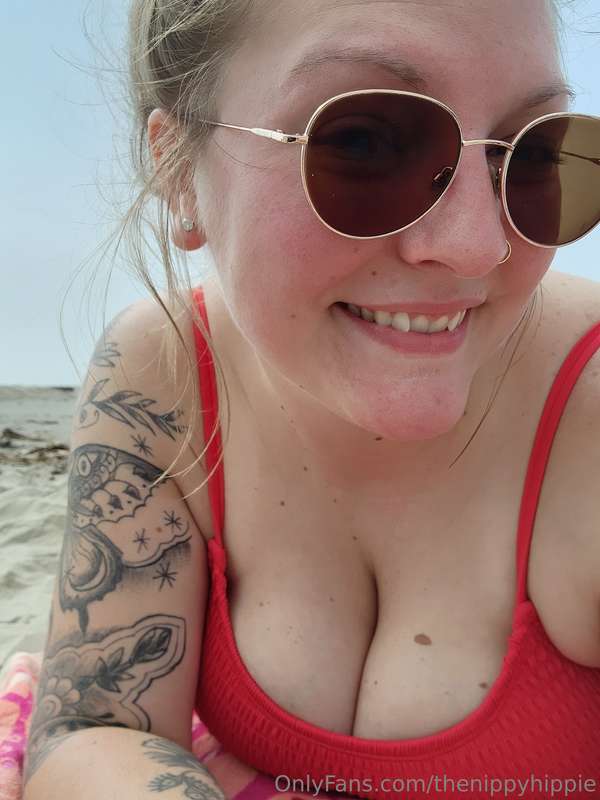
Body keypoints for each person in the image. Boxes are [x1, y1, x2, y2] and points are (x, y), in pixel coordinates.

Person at [22, 0, 600, 798]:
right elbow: (95, 724)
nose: (479, 245)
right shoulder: (163, 371)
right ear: (179, 170)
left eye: (530, 153)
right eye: (362, 141)